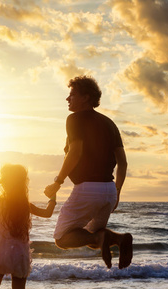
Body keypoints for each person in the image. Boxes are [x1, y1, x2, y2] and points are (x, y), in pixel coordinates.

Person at [44, 75, 133, 269]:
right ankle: (120, 239)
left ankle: (110, 238)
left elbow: (76, 151)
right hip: (109, 190)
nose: (68, 99)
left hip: (87, 189)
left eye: (72, 94)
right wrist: (117, 192)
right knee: (93, 239)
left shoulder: (74, 119)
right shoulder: (109, 123)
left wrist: (57, 182)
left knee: (62, 238)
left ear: (86, 97)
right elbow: (123, 163)